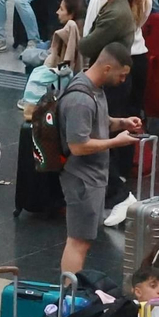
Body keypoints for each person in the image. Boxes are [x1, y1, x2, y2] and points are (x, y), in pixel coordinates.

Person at [59, 42, 141, 278]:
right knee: (78, 242)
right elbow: (78, 146)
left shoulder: (94, 90)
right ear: (107, 68)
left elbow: (97, 122)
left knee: (82, 240)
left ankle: (73, 289)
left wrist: (122, 123)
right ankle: (70, 292)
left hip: (91, 178)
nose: (123, 81)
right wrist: (115, 142)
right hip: (82, 180)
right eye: (121, 75)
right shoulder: (81, 99)